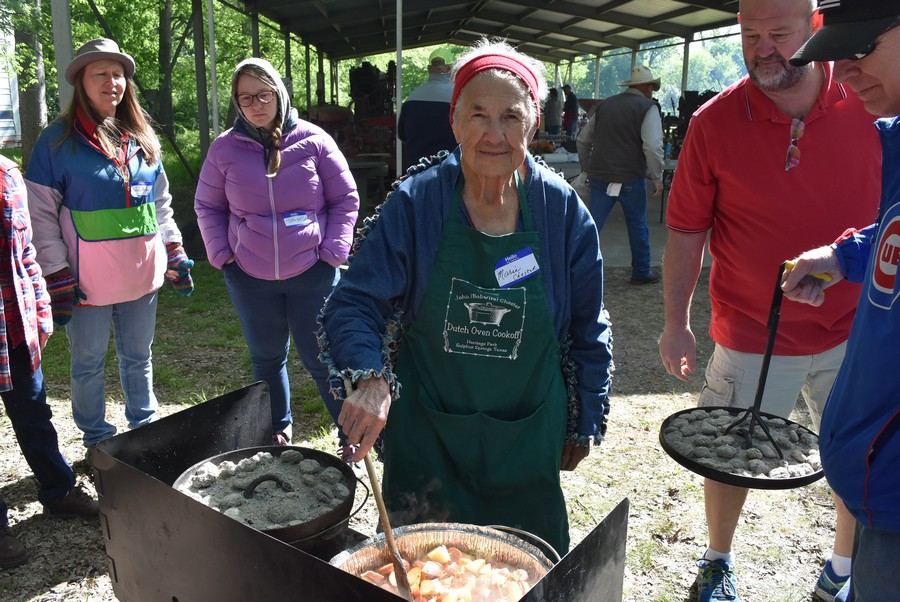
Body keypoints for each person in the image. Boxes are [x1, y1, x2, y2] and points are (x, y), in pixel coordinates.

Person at [318, 39, 612, 557]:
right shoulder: (417, 202)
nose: (493, 133)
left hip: (525, 433)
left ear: (534, 123)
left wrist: (585, 417)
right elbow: (354, 302)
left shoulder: (563, 213)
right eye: (477, 114)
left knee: (527, 570)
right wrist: (368, 377)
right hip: (429, 431)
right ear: (454, 121)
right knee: (425, 570)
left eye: (510, 116)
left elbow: (589, 325)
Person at [656, 0, 883, 600]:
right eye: (749, 34)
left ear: (815, 28)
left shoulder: (871, 98)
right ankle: (717, 560)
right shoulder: (714, 121)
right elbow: (685, 229)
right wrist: (675, 322)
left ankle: (841, 569)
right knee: (734, 451)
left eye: (778, 33)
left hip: (856, 330)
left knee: (857, 455)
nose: (762, 49)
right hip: (753, 329)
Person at [24, 38, 193, 456]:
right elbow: (40, 213)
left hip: (142, 277)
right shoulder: (56, 142)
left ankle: (145, 428)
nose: (111, 81)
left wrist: (173, 248)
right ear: (81, 81)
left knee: (139, 357)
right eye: (100, 73)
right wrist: (56, 273)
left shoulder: (143, 137)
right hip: (85, 283)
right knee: (88, 363)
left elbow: (160, 203)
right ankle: (98, 440)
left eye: (118, 74)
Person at [783, 2, 900, 601]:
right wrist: (845, 257)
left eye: (861, 50)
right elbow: (893, 230)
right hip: (878, 485)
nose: (845, 73)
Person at [194, 58, 358, 451]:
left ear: (279, 93)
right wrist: (222, 254)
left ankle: (350, 433)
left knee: (323, 359)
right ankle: (276, 430)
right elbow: (208, 206)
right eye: (245, 98)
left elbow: (345, 200)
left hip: (313, 272)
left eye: (263, 94)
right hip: (250, 275)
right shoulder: (224, 149)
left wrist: (333, 251)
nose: (256, 104)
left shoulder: (314, 140)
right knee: (267, 358)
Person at [0, 156, 98, 569]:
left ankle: (59, 491)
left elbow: (26, 253)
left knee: (34, 413)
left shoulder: (7, 173)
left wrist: (41, 307)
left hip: (14, 326)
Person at [576, 65, 664, 285]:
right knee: (637, 225)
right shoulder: (647, 107)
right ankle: (641, 271)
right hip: (630, 176)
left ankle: (577, 271)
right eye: (651, 86)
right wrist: (657, 177)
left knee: (591, 225)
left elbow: (582, 140)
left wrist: (587, 167)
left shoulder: (605, 105)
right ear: (646, 86)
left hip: (601, 175)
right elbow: (652, 147)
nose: (652, 90)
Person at [397, 48, 457, 171]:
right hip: (450, 172)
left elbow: (402, 135)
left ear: (429, 69)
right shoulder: (459, 99)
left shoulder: (411, 99)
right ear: (451, 69)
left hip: (416, 173)